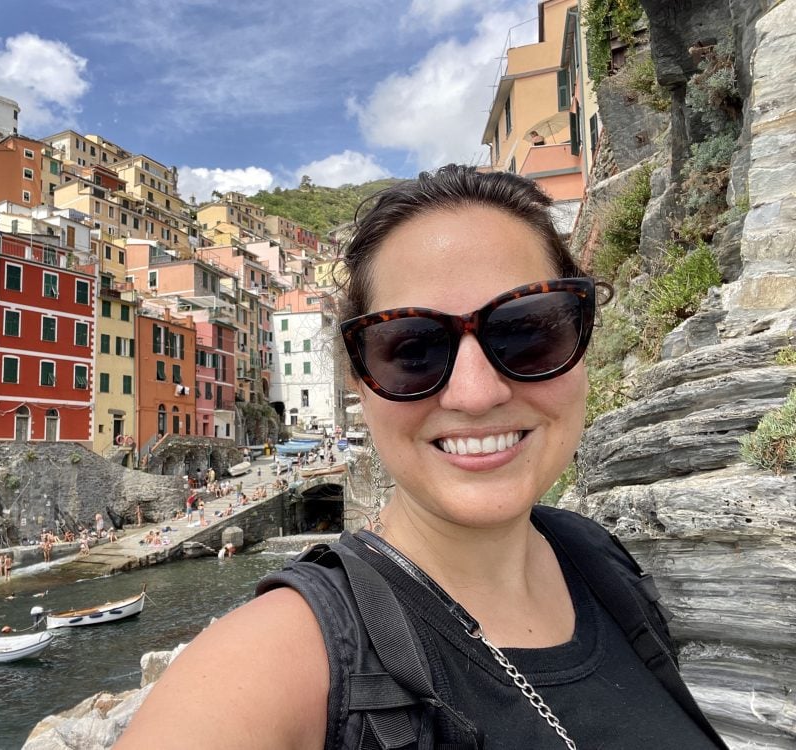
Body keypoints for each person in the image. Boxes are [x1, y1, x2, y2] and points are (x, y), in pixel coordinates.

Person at [115, 166, 727, 749]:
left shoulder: (602, 562)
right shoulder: (277, 660)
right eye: (412, 349)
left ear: (581, 336)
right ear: (359, 382)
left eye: (527, 330)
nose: (476, 392)